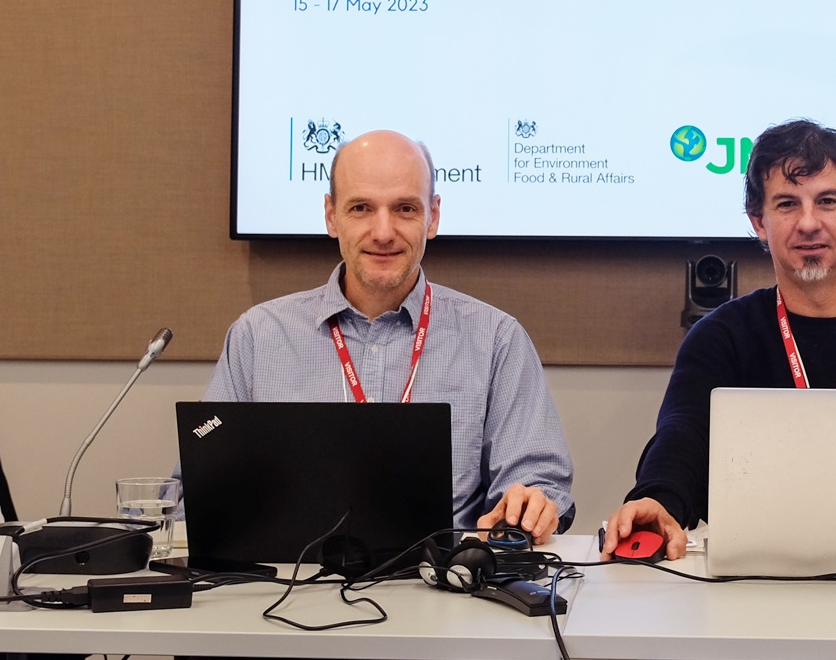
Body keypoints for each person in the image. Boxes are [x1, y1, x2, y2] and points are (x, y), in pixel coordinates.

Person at [603, 119, 836, 559]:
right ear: (759, 222)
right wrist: (658, 499)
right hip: (760, 572)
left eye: (827, 202)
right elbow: (682, 436)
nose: (808, 223)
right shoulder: (720, 337)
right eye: (787, 204)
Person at [201, 129, 574, 540]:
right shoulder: (258, 337)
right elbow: (203, 491)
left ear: (433, 217)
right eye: (361, 208)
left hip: (445, 573)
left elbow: (537, 483)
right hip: (289, 573)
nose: (383, 233)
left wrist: (530, 506)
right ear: (331, 216)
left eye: (405, 209)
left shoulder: (495, 340)